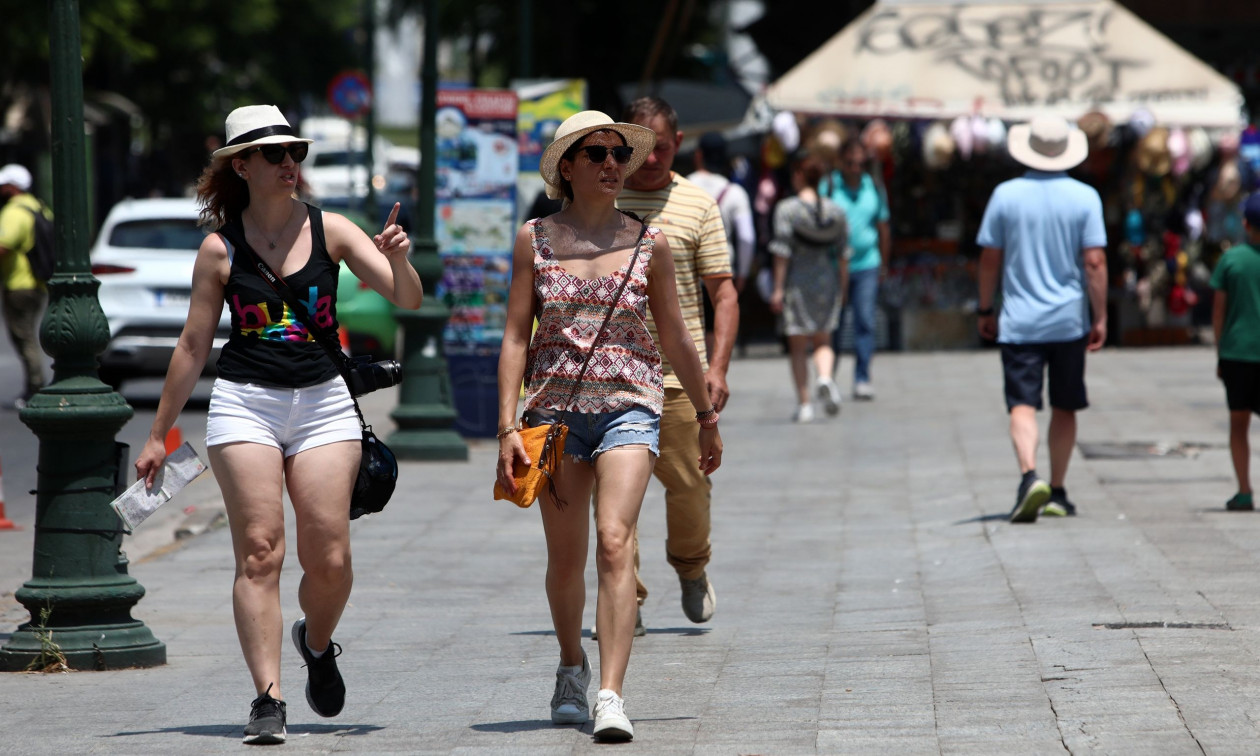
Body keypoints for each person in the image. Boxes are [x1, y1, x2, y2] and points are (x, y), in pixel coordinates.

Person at [134, 105, 422, 745]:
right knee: (261, 551)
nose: (289, 163)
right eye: (273, 154)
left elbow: (406, 298)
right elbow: (192, 346)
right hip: (246, 403)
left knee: (331, 557)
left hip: (323, 404)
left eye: (295, 152)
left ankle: (315, 643)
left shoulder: (331, 229)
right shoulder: (220, 249)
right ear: (241, 166)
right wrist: (158, 435)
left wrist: (399, 258)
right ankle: (268, 698)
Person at [497, 110, 722, 741]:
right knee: (565, 559)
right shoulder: (534, 239)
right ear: (567, 167)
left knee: (615, 540)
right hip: (555, 417)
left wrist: (705, 415)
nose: (612, 164)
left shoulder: (651, 244)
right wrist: (507, 425)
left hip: (630, 405)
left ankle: (610, 694)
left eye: (619, 153)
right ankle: (572, 664)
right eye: (597, 153)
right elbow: (515, 336)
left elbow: (676, 336)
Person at [617, 96, 737, 632]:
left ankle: (691, 566)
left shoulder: (697, 204)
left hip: (678, 380)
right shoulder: (601, 199)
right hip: (613, 378)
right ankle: (627, 597)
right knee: (614, 498)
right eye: (639, 148)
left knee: (690, 486)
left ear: (678, 144)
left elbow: (724, 294)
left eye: (660, 148)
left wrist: (718, 369)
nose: (649, 160)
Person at [976, 115, 1107, 524]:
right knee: (1065, 406)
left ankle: (1030, 476)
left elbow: (989, 258)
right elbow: (1094, 261)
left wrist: (985, 307)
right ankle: (1059, 489)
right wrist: (1100, 315)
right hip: (1068, 320)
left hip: (1019, 321)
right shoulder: (1086, 197)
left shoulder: (1005, 195)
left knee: (1022, 404)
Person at [768, 152, 848, 423]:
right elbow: (844, 255)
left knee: (798, 344)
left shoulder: (787, 210)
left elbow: (782, 252)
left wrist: (777, 289)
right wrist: (843, 287)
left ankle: (804, 405)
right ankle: (824, 377)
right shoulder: (836, 211)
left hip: (797, 282)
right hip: (827, 280)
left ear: (799, 176)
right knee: (823, 339)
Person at [821, 137, 890, 401]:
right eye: (850, 162)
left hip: (867, 264)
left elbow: (883, 226)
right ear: (842, 161)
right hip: (834, 265)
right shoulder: (829, 186)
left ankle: (862, 378)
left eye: (860, 163)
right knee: (834, 323)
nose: (855, 168)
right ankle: (829, 377)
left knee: (865, 321)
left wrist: (884, 264)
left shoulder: (874, 186)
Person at [1210, 192, 1260, 511]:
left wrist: (1220, 352)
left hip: (1237, 353)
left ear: (1245, 224)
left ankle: (1244, 491)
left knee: (1238, 424)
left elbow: (1218, 313)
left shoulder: (1231, 260)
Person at [687, 131, 755, 355]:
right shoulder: (735, 193)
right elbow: (746, 237)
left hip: (688, 270)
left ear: (698, 155)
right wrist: (743, 273)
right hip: (721, 268)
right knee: (716, 328)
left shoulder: (683, 186)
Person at [0, 164, 49, 409]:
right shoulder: (39, 207)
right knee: (27, 335)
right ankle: (35, 384)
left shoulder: (14, 212)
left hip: (19, 284)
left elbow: (3, 245)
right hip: (37, 283)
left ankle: (35, 386)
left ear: (13, 187)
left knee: (24, 337)